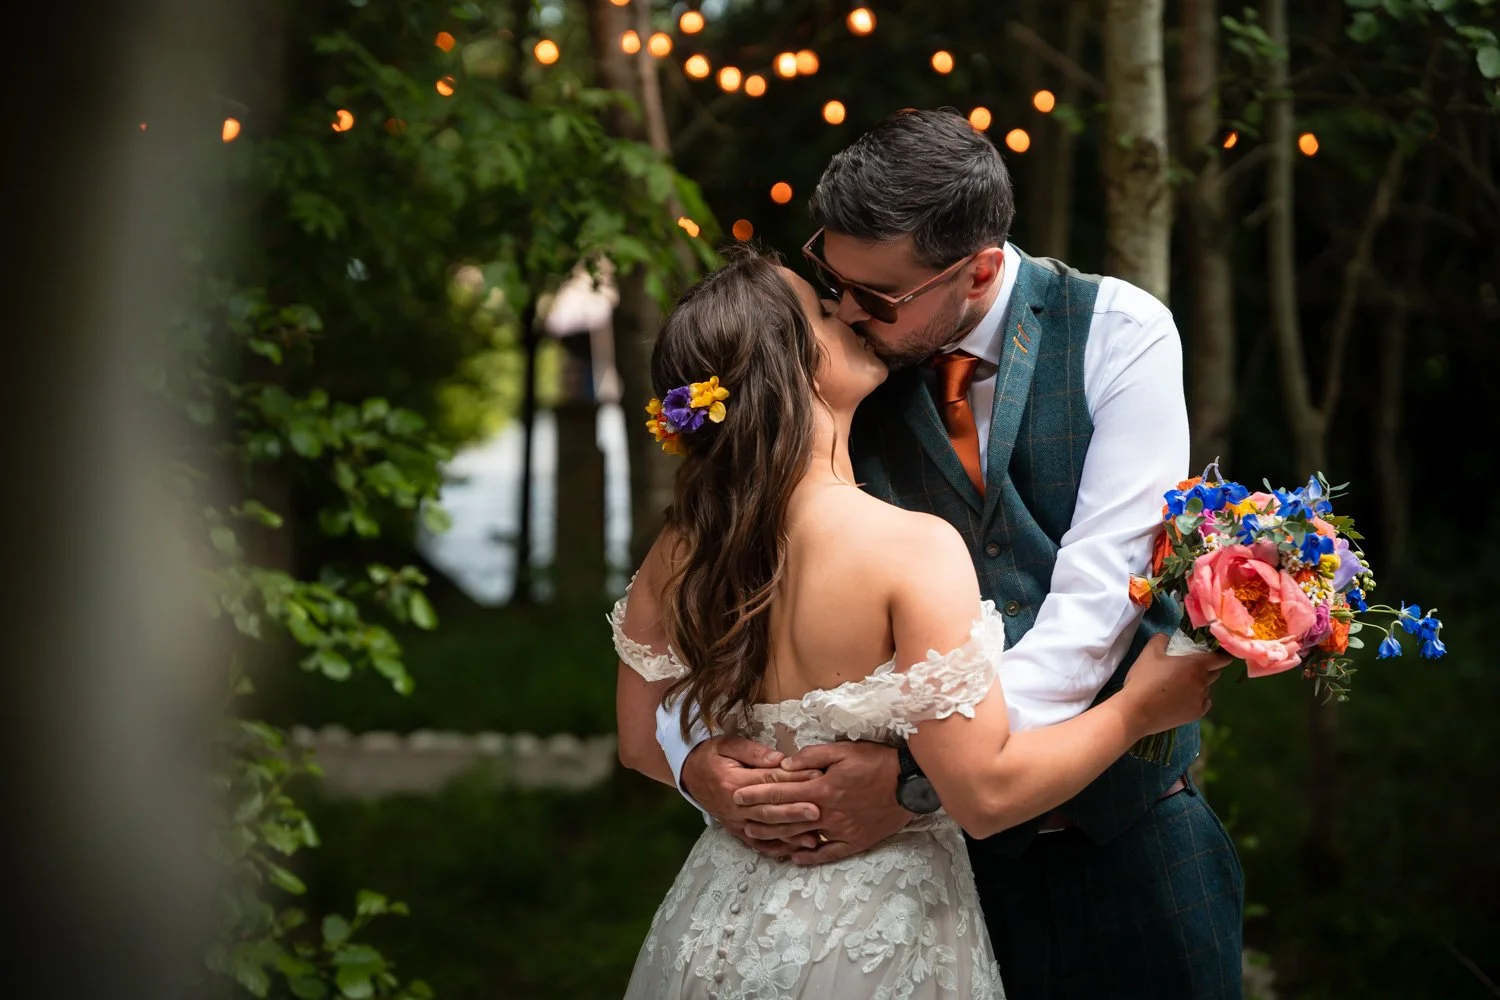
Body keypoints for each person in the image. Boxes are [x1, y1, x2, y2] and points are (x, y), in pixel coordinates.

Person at [654, 108, 1246, 999]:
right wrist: (696, 757)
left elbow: (1094, 613)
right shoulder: (837, 377)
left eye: (879, 296)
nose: (847, 312)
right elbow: (734, 582)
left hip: (1127, 844)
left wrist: (918, 781)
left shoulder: (1120, 331)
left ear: (976, 269)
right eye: (832, 279)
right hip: (914, 887)